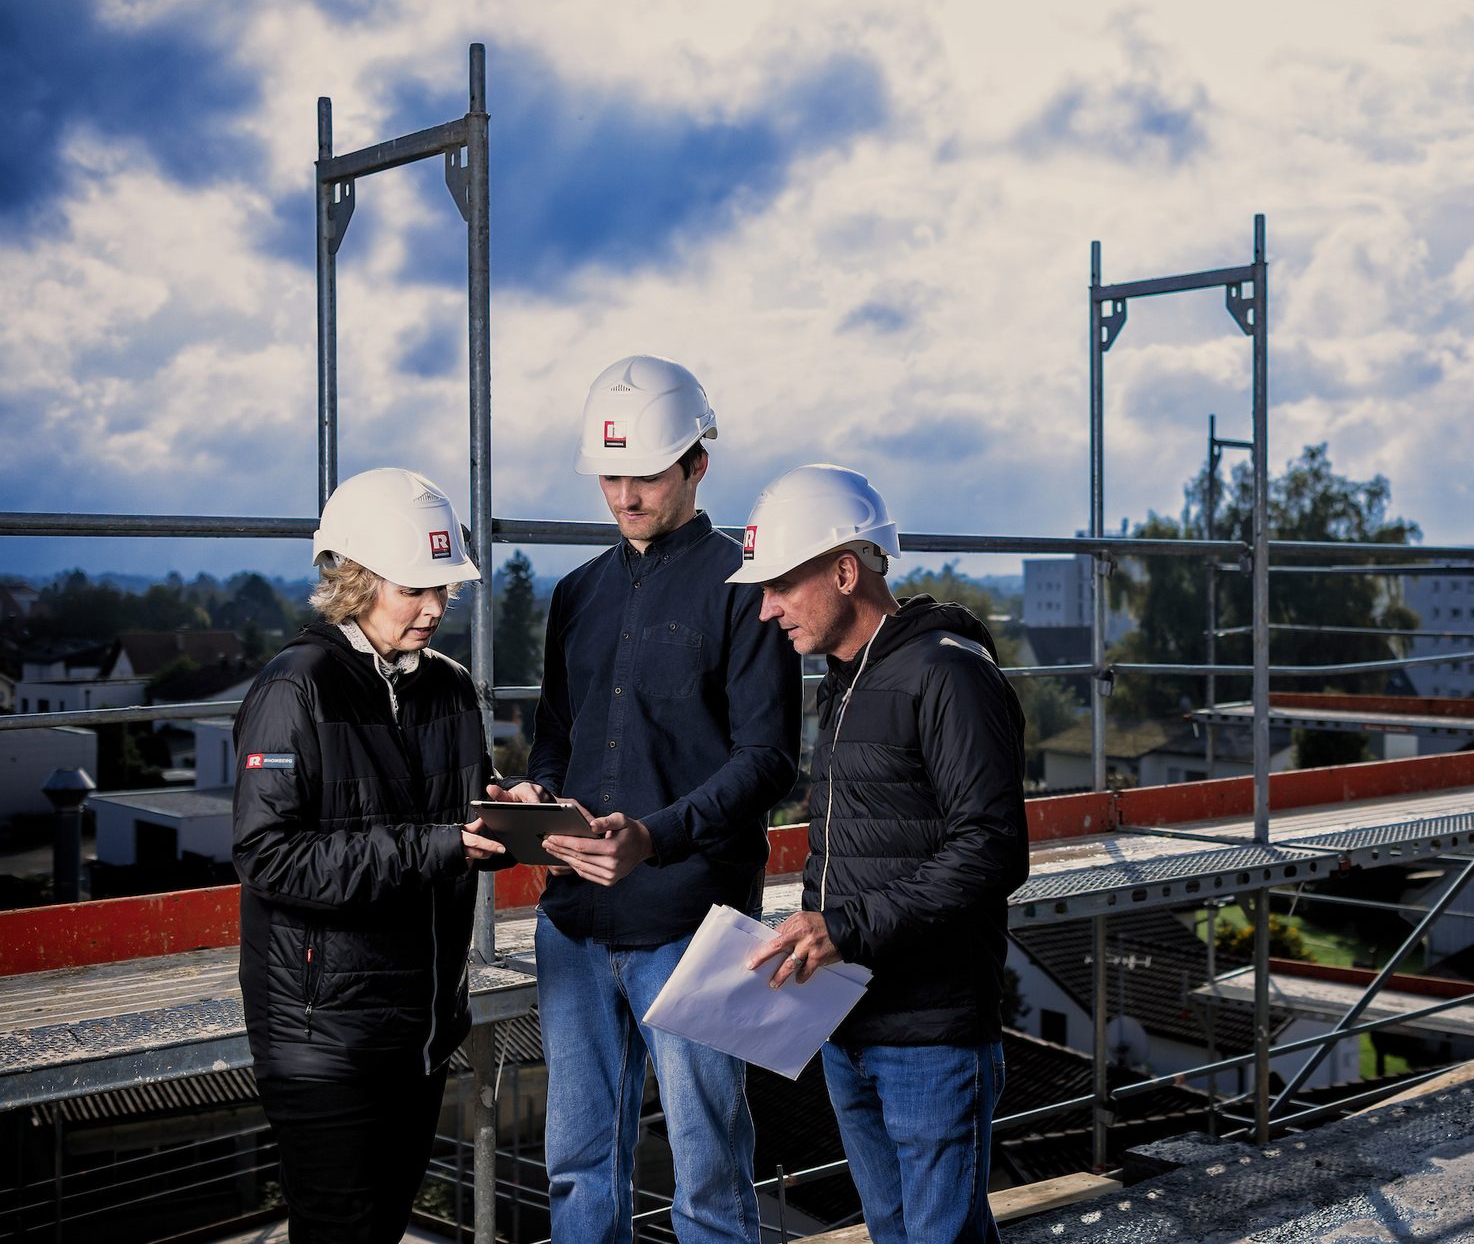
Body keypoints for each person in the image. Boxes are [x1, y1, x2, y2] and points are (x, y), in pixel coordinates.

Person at [487, 354, 801, 1244]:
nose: (624, 495)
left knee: (707, 1175)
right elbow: (557, 736)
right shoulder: (576, 594)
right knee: (578, 1173)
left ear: (697, 463)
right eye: (610, 475)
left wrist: (655, 838)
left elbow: (769, 760)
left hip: (693, 926)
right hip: (576, 922)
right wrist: (536, 794)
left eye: (646, 475)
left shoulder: (748, 581)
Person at [735, 464, 1028, 1244]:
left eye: (780, 586)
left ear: (843, 570)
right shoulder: (848, 679)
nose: (765, 610)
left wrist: (846, 930)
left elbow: (993, 849)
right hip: (849, 1023)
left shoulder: (947, 672)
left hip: (930, 1036)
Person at [232, 466, 510, 1244]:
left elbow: (460, 810)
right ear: (355, 579)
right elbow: (269, 857)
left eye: (444, 589)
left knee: (383, 1229)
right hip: (322, 1036)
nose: (434, 609)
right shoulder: (297, 689)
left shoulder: (449, 688)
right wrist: (440, 846)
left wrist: (506, 812)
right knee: (341, 1231)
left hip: (419, 1027)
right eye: (413, 589)